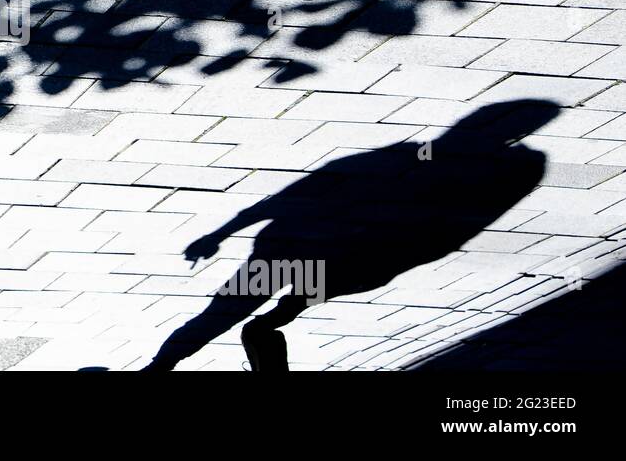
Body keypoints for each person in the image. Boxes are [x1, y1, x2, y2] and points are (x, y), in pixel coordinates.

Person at [144, 99, 559, 371]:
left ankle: (164, 367)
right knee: (261, 311)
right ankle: (252, 334)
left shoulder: (417, 159)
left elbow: (297, 194)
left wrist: (222, 232)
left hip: (305, 250)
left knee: (231, 313)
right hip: (326, 256)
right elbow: (448, 231)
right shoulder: (492, 169)